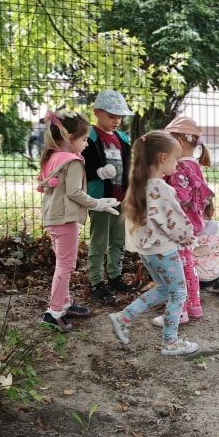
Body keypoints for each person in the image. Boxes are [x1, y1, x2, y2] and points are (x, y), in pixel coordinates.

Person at [108, 131, 199, 357]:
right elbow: (175, 220)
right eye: (176, 159)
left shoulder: (140, 186)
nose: (177, 164)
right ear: (163, 157)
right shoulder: (161, 189)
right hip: (165, 251)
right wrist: (187, 236)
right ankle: (171, 343)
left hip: (148, 251)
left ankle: (124, 316)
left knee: (163, 290)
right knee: (179, 293)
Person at [37, 110, 119, 331]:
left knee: (62, 263)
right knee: (66, 265)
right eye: (84, 139)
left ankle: (65, 303)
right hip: (65, 219)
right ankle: (53, 313)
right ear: (69, 138)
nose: (86, 144)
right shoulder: (72, 161)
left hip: (53, 218)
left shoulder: (53, 157)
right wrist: (98, 204)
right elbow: (75, 192)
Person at [158, 117, 214, 322]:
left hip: (178, 226)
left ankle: (178, 312)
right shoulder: (194, 166)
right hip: (191, 224)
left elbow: (179, 197)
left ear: (178, 144)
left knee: (176, 269)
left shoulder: (179, 168)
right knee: (188, 264)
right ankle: (194, 306)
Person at [84, 90, 135, 303]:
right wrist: (97, 172)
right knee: (99, 242)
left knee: (118, 240)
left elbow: (129, 165)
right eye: (112, 116)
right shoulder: (89, 135)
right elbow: (81, 164)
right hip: (100, 200)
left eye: (120, 117)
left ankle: (115, 277)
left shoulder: (123, 138)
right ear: (97, 112)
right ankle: (96, 282)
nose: (117, 121)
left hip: (121, 199)